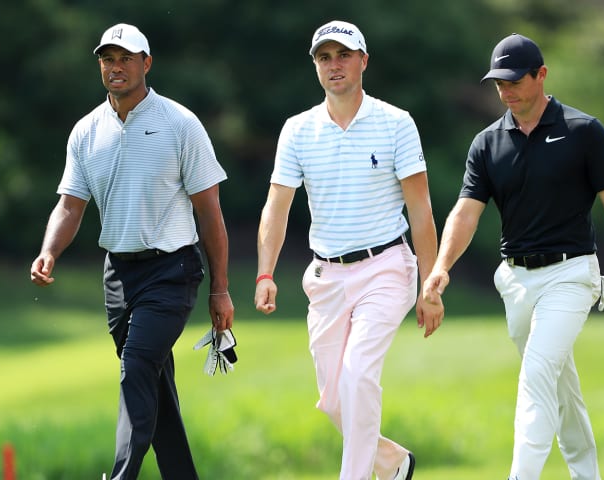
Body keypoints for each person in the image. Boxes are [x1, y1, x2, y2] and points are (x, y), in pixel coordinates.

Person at [422, 33, 604, 480]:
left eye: (515, 80)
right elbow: (466, 213)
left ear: (542, 76)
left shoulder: (583, 131)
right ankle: (587, 474)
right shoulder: (487, 143)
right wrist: (440, 267)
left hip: (572, 274)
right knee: (560, 385)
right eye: (498, 83)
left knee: (536, 376)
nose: (506, 90)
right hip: (516, 282)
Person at [29, 23, 234, 480]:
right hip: (118, 275)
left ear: (146, 63)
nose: (115, 67)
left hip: (172, 270)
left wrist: (220, 290)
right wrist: (49, 252)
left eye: (125, 58)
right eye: (107, 58)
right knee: (153, 384)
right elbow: (70, 204)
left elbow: (210, 213)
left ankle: (121, 474)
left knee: (136, 367)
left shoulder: (180, 124)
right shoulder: (86, 132)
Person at [254, 20, 443, 480]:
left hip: (387, 267)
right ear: (315, 65)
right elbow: (276, 209)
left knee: (359, 376)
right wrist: (264, 273)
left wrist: (432, 283)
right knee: (334, 398)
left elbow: (421, 211)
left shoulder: (396, 123)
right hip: (326, 277)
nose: (334, 65)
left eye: (343, 55)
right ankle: (393, 463)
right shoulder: (298, 130)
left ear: (363, 60)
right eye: (324, 57)